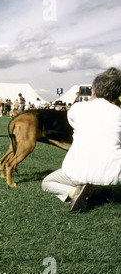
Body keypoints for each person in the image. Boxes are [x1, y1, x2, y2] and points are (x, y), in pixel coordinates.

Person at [41, 67, 121, 212]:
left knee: (47, 182)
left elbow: (73, 120)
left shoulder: (78, 109)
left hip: (78, 173)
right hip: (114, 176)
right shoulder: (119, 113)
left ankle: (74, 193)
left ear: (94, 89)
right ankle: (104, 190)